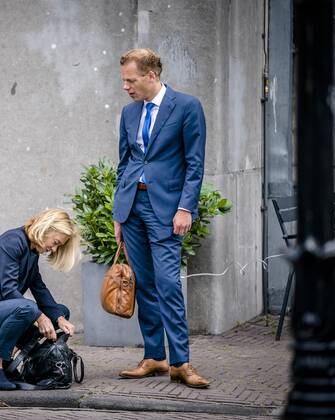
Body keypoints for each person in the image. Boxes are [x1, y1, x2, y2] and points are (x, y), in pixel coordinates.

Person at [112, 48, 209, 388]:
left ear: (151, 76)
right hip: (133, 207)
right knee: (145, 285)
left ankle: (181, 362)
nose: (126, 86)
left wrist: (186, 208)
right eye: (124, 80)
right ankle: (155, 357)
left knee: (167, 284)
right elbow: (124, 163)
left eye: (131, 80)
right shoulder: (128, 113)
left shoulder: (186, 107)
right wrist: (118, 214)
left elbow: (195, 163)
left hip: (167, 211)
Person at [0, 208, 80, 390]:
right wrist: (40, 317)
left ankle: (6, 363)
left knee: (59, 312)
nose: (54, 248)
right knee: (28, 309)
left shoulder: (31, 250)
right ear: (46, 228)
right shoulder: (13, 241)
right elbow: (9, 290)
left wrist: (59, 318)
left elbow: (39, 289)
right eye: (56, 242)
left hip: (0, 311)